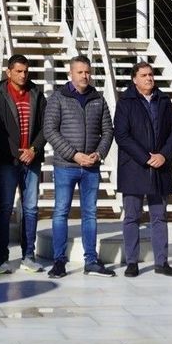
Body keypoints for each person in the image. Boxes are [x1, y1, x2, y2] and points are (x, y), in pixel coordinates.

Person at [46, 55, 115, 278]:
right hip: (66, 165)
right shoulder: (58, 98)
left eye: (87, 72)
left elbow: (108, 131)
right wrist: (75, 155)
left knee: (90, 213)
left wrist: (99, 153)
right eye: (80, 72)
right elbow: (50, 131)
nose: (85, 76)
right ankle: (59, 261)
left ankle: (91, 261)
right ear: (71, 73)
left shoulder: (98, 99)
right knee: (60, 212)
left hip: (91, 167)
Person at [114, 61, 172, 278]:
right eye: (144, 75)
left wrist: (163, 155)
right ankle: (132, 262)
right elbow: (122, 135)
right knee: (132, 216)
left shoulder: (164, 100)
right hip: (134, 168)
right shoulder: (125, 102)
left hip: (160, 168)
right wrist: (145, 158)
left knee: (159, 216)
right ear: (134, 79)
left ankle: (161, 263)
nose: (149, 78)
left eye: (151, 74)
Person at [0, 53, 47, 274]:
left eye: (26, 71)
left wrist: (33, 149)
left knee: (31, 209)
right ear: (9, 72)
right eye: (18, 71)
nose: (23, 75)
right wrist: (17, 152)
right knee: (4, 209)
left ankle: (28, 256)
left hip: (31, 160)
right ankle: (2, 259)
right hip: (6, 161)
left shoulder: (37, 95)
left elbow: (46, 127)